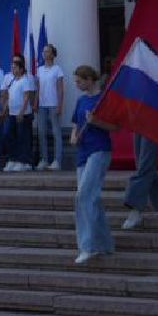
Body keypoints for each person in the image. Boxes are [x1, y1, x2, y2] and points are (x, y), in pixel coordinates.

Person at [70, 65, 115, 265]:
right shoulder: (81, 100)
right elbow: (75, 124)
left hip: (99, 149)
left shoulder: (103, 100)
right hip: (82, 152)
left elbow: (115, 126)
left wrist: (96, 121)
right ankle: (104, 244)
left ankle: (87, 246)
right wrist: (73, 136)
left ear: (89, 79)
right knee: (92, 199)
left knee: (84, 195)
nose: (77, 84)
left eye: (79, 81)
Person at [0, 55, 37, 171]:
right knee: (9, 135)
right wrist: (4, 109)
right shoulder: (12, 81)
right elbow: (9, 97)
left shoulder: (25, 80)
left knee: (23, 137)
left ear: (21, 69)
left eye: (15, 67)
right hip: (12, 114)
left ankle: (25, 162)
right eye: (12, 67)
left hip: (23, 114)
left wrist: (21, 112)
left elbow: (26, 97)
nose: (13, 69)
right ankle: (13, 159)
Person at [34, 43, 66, 170]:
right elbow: (38, 88)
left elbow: (60, 89)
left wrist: (60, 105)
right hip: (42, 105)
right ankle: (44, 159)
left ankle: (57, 160)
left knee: (56, 132)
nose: (45, 53)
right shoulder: (39, 70)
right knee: (41, 132)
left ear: (52, 54)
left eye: (47, 51)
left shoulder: (57, 69)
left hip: (53, 104)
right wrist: (36, 102)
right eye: (44, 51)